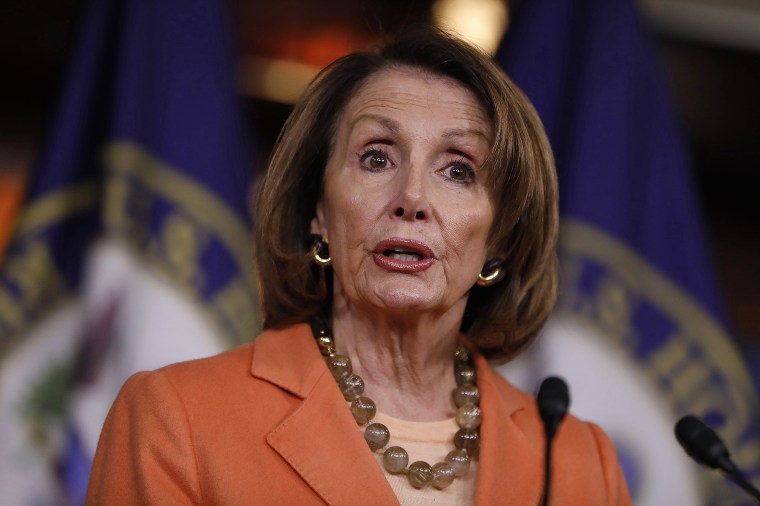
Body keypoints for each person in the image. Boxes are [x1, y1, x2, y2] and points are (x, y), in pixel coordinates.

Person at [86, 27, 631, 505]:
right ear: (318, 212)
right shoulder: (177, 418)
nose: (412, 196)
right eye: (377, 158)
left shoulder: (582, 465)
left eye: (459, 170)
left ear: (500, 238)